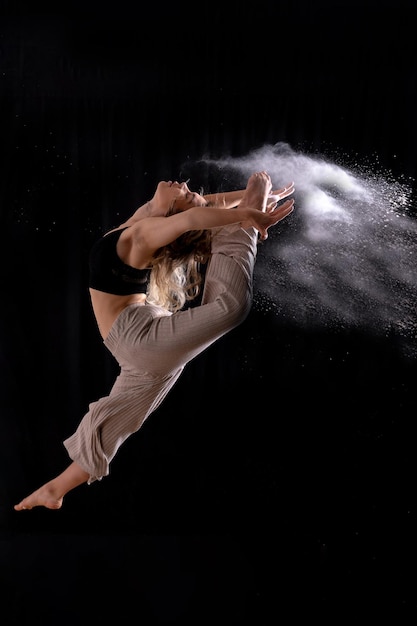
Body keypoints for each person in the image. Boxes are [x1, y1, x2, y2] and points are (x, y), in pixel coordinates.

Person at [14, 171, 295, 511]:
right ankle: (55, 491)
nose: (186, 186)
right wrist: (250, 209)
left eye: (188, 192)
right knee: (229, 309)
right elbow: (197, 212)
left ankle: (54, 489)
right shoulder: (147, 222)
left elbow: (197, 212)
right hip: (139, 339)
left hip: (140, 337)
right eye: (189, 192)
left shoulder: (146, 225)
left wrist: (252, 207)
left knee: (120, 417)